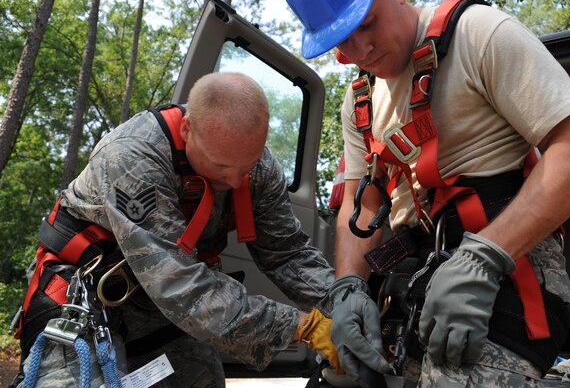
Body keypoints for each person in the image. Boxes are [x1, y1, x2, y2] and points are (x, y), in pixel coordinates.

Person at [279, 0, 570, 387]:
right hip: (412, 274)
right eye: (339, 40)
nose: (358, 51)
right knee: (337, 378)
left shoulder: (479, 34)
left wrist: (486, 257)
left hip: (506, 266)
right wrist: (349, 286)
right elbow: (362, 200)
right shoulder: (358, 97)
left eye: (365, 24)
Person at [14, 72, 341, 388]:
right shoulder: (132, 157)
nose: (234, 181)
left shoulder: (257, 168)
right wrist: (305, 326)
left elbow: (287, 253)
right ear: (187, 129)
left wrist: (344, 303)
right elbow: (182, 288)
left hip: (159, 311)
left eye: (248, 165)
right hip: (86, 298)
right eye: (222, 166)